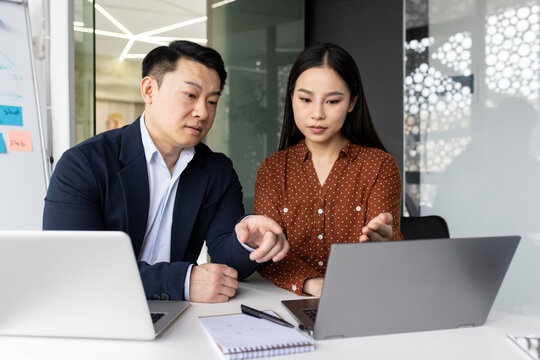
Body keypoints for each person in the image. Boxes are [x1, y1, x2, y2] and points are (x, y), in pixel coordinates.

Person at [43, 40, 289, 303]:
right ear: (149, 90)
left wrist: (248, 241)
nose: (203, 112)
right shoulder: (84, 164)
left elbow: (226, 263)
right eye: (190, 96)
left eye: (213, 101)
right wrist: (182, 281)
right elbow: (73, 268)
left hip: (179, 318)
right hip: (98, 311)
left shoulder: (218, 171)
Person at [254, 43, 403, 297]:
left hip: (360, 299)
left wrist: (386, 244)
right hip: (287, 302)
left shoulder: (379, 166)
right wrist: (312, 283)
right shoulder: (273, 169)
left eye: (332, 101)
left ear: (352, 102)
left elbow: (390, 253)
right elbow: (268, 254)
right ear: (291, 99)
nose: (317, 113)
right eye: (305, 99)